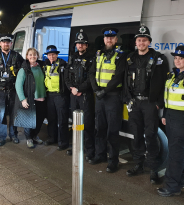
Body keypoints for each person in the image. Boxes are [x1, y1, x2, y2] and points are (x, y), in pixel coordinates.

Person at [123, 24, 168, 183]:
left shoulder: (158, 58)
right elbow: (125, 80)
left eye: (144, 40)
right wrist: (127, 99)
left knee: (151, 135)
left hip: (150, 104)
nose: (141, 43)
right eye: (139, 40)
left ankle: (153, 170)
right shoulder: (130, 58)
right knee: (136, 136)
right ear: (136, 42)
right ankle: (138, 164)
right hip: (134, 103)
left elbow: (164, 82)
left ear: (149, 41)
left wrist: (158, 104)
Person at [157, 46, 184, 197]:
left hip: (182, 120)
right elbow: (168, 97)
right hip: (170, 117)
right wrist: (164, 114)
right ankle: (182, 179)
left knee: (175, 154)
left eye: (181, 58)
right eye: (175, 58)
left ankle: (172, 187)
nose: (177, 61)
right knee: (180, 151)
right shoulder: (172, 75)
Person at [88, 27, 126, 173]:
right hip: (100, 97)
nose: (109, 40)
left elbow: (118, 76)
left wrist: (104, 91)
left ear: (116, 40)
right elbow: (92, 73)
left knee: (113, 130)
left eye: (112, 37)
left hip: (113, 97)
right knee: (100, 128)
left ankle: (113, 161)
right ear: (103, 39)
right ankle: (100, 155)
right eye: (106, 37)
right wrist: (97, 90)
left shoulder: (120, 56)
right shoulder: (98, 54)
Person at [0, 34, 24, 146]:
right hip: (0, 91)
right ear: (0, 43)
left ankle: (14, 135)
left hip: (13, 91)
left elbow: (24, 69)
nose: (6, 44)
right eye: (4, 42)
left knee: (13, 114)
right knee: (1, 115)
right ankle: (1, 137)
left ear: (11, 43)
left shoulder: (17, 56)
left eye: (8, 42)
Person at [65, 29, 95, 159]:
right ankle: (76, 146)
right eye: (78, 43)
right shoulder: (72, 57)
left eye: (83, 43)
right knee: (75, 123)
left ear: (87, 45)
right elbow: (66, 76)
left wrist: (80, 89)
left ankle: (89, 150)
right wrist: (71, 88)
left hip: (85, 96)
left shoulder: (91, 59)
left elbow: (91, 78)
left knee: (87, 124)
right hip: (73, 95)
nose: (80, 45)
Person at [14, 48, 46, 148]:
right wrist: (23, 99)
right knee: (29, 120)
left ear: (37, 56)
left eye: (35, 55)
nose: (33, 56)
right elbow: (18, 85)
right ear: (27, 56)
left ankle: (35, 136)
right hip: (30, 99)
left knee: (39, 120)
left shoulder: (41, 67)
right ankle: (29, 138)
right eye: (30, 55)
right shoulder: (24, 69)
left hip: (41, 98)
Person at [43, 45, 69, 150]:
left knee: (62, 119)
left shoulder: (63, 64)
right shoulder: (45, 65)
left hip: (60, 95)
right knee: (51, 118)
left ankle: (63, 142)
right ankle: (52, 138)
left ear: (57, 55)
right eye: (49, 55)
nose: (51, 56)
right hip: (49, 95)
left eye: (53, 54)